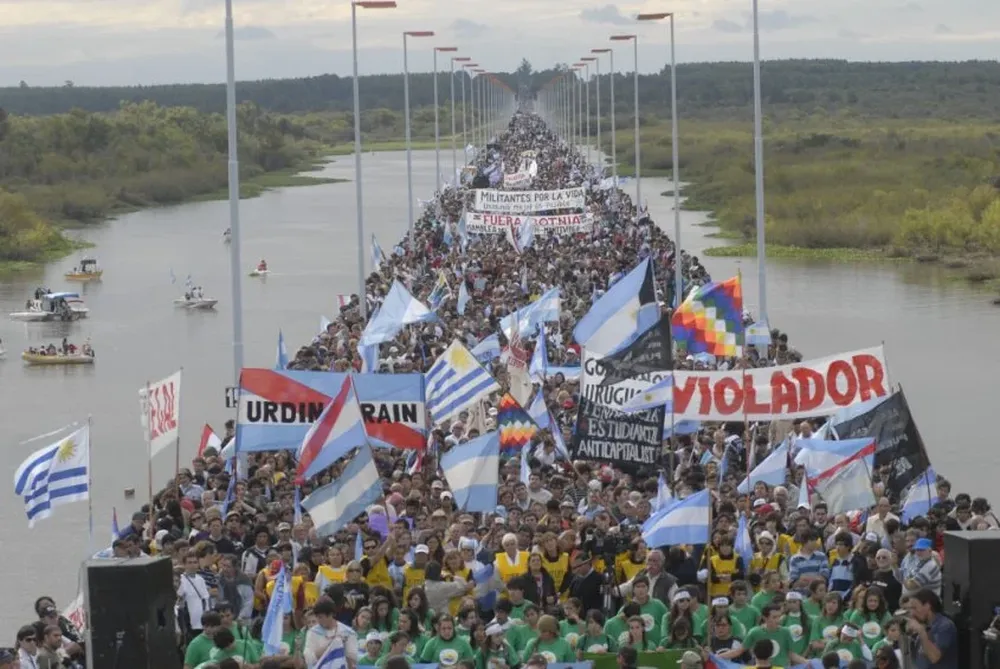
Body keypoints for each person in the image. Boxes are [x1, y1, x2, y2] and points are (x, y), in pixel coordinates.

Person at [906, 588, 958, 669]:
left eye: (915, 608)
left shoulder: (945, 626)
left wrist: (921, 631)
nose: (912, 613)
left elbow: (934, 657)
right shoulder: (924, 626)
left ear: (927, 606)